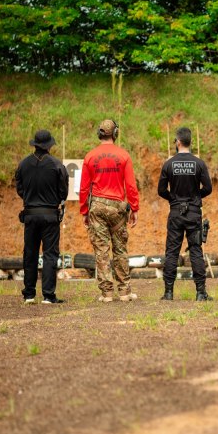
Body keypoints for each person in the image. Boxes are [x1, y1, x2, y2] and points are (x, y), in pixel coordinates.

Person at [79, 119, 139, 302]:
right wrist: (134, 208)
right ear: (115, 134)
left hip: (96, 207)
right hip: (117, 208)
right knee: (120, 249)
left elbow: (83, 188)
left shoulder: (90, 157)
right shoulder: (124, 156)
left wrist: (84, 211)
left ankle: (106, 294)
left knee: (102, 251)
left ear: (99, 134)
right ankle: (125, 292)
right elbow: (130, 185)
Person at [157, 127, 213, 301]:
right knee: (196, 251)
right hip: (194, 212)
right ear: (190, 142)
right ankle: (201, 293)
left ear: (178, 142)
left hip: (175, 213)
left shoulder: (168, 164)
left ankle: (168, 293)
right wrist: (196, 197)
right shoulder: (199, 163)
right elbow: (208, 189)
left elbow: (161, 190)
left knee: (172, 251)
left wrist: (173, 199)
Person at [15, 130, 68, 304]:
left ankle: (29, 294)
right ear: (49, 145)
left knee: (29, 253)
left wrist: (30, 199)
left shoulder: (23, 164)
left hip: (30, 214)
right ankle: (48, 294)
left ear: (35, 144)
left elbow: (20, 189)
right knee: (50, 254)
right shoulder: (57, 165)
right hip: (50, 216)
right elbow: (63, 192)